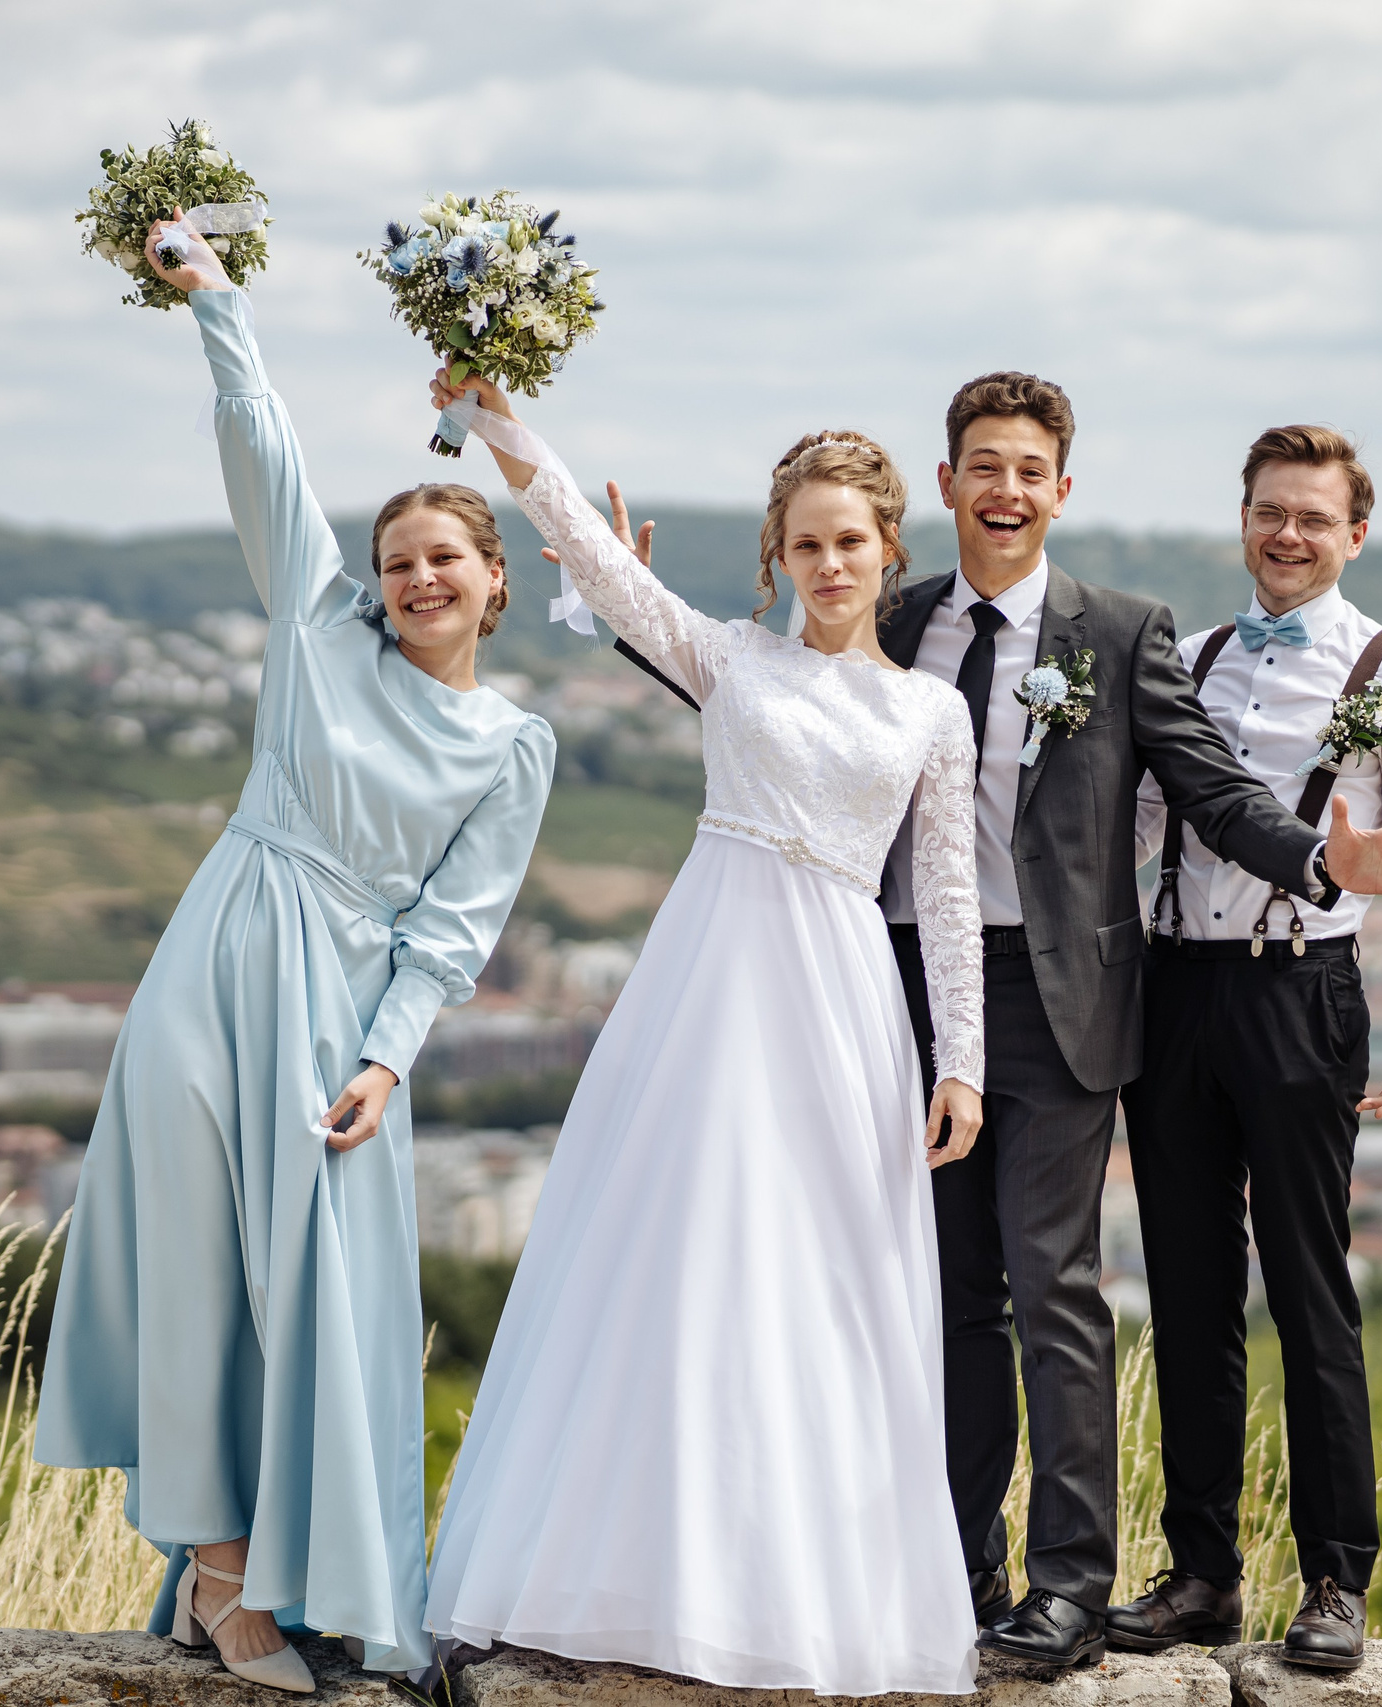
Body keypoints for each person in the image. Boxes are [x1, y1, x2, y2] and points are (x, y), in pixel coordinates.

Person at [610, 372, 1382, 1670]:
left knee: (1056, 1283)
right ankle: (958, 1572)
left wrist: (1326, 868)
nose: (1005, 488)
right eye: (981, 465)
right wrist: (638, 617)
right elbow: (784, 716)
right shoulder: (889, 611)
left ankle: (1070, 1582)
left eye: (1029, 467)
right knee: (948, 1295)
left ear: (1062, 488)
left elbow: (1215, 792)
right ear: (943, 487)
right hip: (888, 987)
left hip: (1064, 998)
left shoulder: (1118, 630)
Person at [35, 217, 555, 1694]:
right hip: (222, 958)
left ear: (493, 576)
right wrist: (218, 305)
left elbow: (453, 930)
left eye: (442, 555)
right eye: (395, 558)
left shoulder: (515, 744)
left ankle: (325, 1575)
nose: (412, 578)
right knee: (203, 1264)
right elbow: (264, 461)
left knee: (332, 1295)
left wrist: (388, 1053)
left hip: (343, 1015)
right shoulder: (314, 626)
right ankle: (219, 1578)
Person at [420, 371, 990, 1698]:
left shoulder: (930, 712)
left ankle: (796, 1591)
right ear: (777, 557)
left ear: (887, 550)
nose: (830, 562)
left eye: (851, 540)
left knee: (818, 1278)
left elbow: (950, 897)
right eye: (806, 542)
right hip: (711, 981)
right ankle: (634, 1574)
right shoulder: (729, 656)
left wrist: (959, 1056)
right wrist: (501, 414)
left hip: (842, 995)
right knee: (680, 1253)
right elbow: (591, 554)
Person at [1115, 425, 1382, 1670]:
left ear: (1353, 532)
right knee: (1189, 1292)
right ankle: (1202, 1573)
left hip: (1299, 990)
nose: (1288, 534)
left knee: (1311, 1291)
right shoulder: (1192, 654)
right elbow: (1147, 809)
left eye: (1314, 517)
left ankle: (1334, 1581)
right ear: (1244, 516)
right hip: (1172, 993)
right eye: (1270, 511)